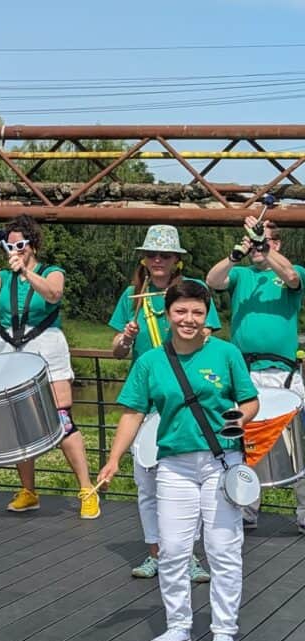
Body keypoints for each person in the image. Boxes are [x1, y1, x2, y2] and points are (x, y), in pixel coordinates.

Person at [98, 280, 258, 641]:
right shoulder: (151, 361)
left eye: (197, 312)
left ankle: (223, 629)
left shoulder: (226, 352)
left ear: (207, 316)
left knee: (223, 548)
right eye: (181, 311)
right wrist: (113, 458)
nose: (189, 319)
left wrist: (241, 415)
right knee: (172, 549)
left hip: (221, 462)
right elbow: (133, 412)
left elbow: (250, 400)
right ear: (167, 314)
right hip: (173, 464)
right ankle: (178, 626)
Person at [0, 215, 99, 518]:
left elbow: (53, 294)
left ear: (33, 245)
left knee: (62, 418)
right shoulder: (4, 276)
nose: (15, 249)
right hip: (8, 348)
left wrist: (26, 271)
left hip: (45, 347)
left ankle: (86, 489)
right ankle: (28, 490)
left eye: (21, 245)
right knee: (16, 420)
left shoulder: (52, 271)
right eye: (11, 245)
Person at [109, 225, 215, 582]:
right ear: (145, 258)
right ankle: (156, 552)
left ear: (176, 261)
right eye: (153, 254)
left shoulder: (191, 292)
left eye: (165, 255)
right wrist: (125, 337)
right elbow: (118, 350)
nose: (158, 260)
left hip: (183, 399)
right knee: (148, 484)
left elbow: (208, 338)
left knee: (190, 484)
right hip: (147, 398)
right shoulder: (132, 295)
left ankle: (187, 556)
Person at [206, 217, 305, 532]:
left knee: (298, 445)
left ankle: (304, 512)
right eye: (255, 240)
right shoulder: (241, 274)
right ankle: (246, 508)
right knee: (243, 444)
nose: (259, 246)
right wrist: (236, 254)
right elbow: (212, 280)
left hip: (283, 374)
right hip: (246, 374)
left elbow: (289, 276)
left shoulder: (294, 270)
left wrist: (263, 243)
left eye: (266, 241)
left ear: (277, 244)